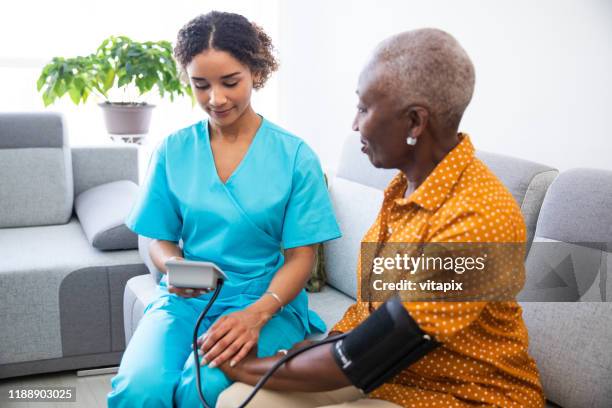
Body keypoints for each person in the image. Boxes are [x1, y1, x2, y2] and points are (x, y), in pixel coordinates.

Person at [216, 28, 545, 407]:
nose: (354, 124)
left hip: (463, 394)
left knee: (246, 393)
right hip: (392, 376)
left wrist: (244, 366)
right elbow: (369, 318)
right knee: (242, 401)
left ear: (415, 122)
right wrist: (295, 356)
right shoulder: (405, 187)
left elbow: (367, 353)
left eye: (364, 108)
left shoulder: (478, 221)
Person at [107, 11, 341, 408]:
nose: (215, 99)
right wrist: (173, 268)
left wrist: (258, 314)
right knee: (138, 389)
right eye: (201, 85)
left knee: (202, 389)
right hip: (188, 299)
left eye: (230, 82)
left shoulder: (294, 156)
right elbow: (158, 238)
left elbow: (302, 258)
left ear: (256, 71)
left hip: (265, 300)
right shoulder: (173, 150)